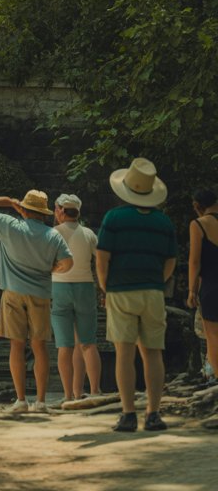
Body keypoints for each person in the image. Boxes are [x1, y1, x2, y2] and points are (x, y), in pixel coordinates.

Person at [96, 157, 177, 433]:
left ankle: (128, 414)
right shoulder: (163, 222)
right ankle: (153, 414)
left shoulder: (114, 218)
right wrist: (157, 281)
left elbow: (102, 258)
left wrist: (106, 287)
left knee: (124, 353)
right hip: (153, 292)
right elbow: (171, 261)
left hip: (121, 291)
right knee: (153, 353)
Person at [0, 189, 73, 413]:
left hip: (12, 292)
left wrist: (9, 202)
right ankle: (40, 401)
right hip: (40, 293)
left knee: (16, 345)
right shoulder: (53, 235)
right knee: (39, 346)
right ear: (44, 213)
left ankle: (21, 400)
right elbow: (68, 263)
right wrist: (52, 269)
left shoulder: (9, 225)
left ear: (25, 209)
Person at [51, 193, 102, 401]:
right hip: (85, 287)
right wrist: (103, 287)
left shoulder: (53, 233)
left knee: (65, 346)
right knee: (87, 342)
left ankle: (68, 396)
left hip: (58, 287)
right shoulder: (88, 234)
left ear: (61, 211)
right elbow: (101, 260)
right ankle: (94, 391)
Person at [187, 186, 218, 380]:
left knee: (213, 336)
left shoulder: (198, 224)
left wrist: (192, 290)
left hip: (211, 286)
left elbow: (195, 261)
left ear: (197, 206)